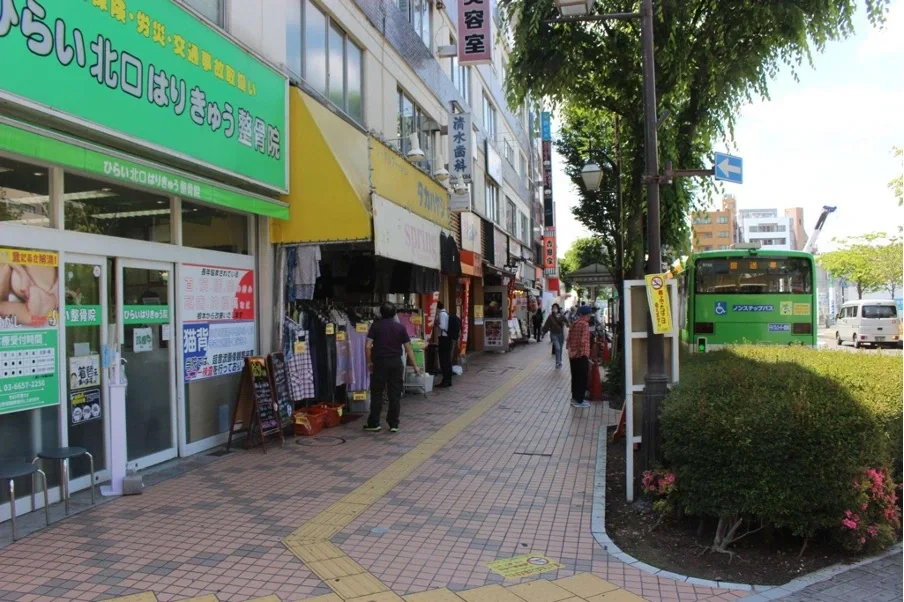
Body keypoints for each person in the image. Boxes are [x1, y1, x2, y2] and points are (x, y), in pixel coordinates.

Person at [365, 302, 420, 433]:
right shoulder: (400, 327)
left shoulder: (375, 326)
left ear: (381, 313)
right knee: (395, 393)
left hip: (379, 362)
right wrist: (415, 366)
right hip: (396, 362)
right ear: (394, 313)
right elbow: (408, 349)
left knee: (377, 392)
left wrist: (369, 362)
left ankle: (374, 423)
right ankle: (394, 423)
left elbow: (367, 346)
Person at [566, 305, 592, 408]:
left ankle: (574, 399)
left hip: (572, 356)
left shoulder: (574, 323)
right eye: (590, 313)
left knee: (575, 377)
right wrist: (582, 353)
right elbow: (583, 341)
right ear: (587, 314)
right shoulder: (585, 325)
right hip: (581, 355)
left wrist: (572, 352)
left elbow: (568, 339)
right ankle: (579, 401)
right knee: (582, 378)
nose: (590, 315)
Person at [434, 302, 453, 388]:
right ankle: (448, 380)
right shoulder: (446, 313)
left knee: (444, 360)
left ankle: (445, 380)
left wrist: (436, 323)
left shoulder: (441, 314)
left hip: (444, 339)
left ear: (437, 308)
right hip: (447, 339)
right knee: (447, 360)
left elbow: (442, 326)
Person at [542, 303, 567, 369]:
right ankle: (557, 362)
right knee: (557, 348)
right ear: (552, 309)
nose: (554, 309)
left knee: (560, 349)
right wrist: (543, 333)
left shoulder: (561, 315)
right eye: (553, 307)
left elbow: (567, 321)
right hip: (554, 334)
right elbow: (546, 325)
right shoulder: (550, 317)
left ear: (558, 309)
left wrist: (567, 324)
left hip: (561, 334)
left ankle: (560, 361)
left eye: (556, 307)